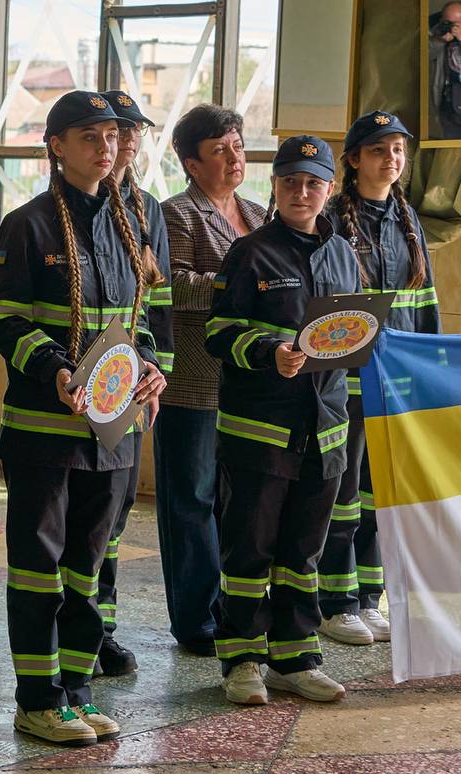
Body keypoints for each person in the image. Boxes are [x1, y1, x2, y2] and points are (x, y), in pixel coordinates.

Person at [0, 91, 166, 746]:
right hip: (44, 432)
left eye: (112, 136)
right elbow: (3, 322)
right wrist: (56, 369)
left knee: (88, 567)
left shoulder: (130, 225)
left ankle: (78, 691)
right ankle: (38, 699)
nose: (105, 147)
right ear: (56, 146)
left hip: (114, 434)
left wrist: (152, 366)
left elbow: (141, 321)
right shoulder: (26, 225)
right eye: (89, 136)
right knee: (40, 567)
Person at [205, 135, 359, 706]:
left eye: (313, 182)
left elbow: (353, 331)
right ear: (274, 186)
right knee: (249, 550)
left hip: (326, 429)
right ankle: (242, 659)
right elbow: (219, 332)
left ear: (329, 189)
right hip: (260, 431)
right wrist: (270, 350)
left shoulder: (343, 253)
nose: (301, 192)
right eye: (290, 181)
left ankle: (296, 657)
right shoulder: (250, 253)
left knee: (303, 552)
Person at [316, 110, 438, 645]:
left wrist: (428, 375)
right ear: (353, 160)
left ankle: (369, 597)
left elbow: (425, 308)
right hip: (345, 386)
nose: (391, 159)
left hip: (394, 387)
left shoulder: (408, 222)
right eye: (378, 150)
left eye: (398, 150)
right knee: (340, 495)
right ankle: (336, 602)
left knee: (379, 496)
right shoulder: (332, 222)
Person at [157, 105, 266, 656]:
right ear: (191, 163)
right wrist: (237, 285)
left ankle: (236, 609)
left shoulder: (259, 213)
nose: (233, 158)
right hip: (192, 382)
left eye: (238, 146)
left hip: (250, 382)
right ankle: (195, 618)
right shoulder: (177, 215)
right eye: (220, 150)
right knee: (191, 500)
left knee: (238, 500)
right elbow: (170, 286)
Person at [94, 90, 173, 677]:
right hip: (82, 383)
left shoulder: (146, 209)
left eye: (133, 131)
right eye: (116, 130)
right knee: (81, 519)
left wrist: (156, 368)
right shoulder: (75, 207)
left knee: (115, 516)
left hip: (131, 383)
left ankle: (102, 629)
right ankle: (74, 629)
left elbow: (158, 302)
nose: (125, 140)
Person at [429, 2, 461, 138]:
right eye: (448, 22)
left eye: (457, 23)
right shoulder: (435, 32)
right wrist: (439, 41)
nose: (452, 27)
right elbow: (423, 55)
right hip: (448, 106)